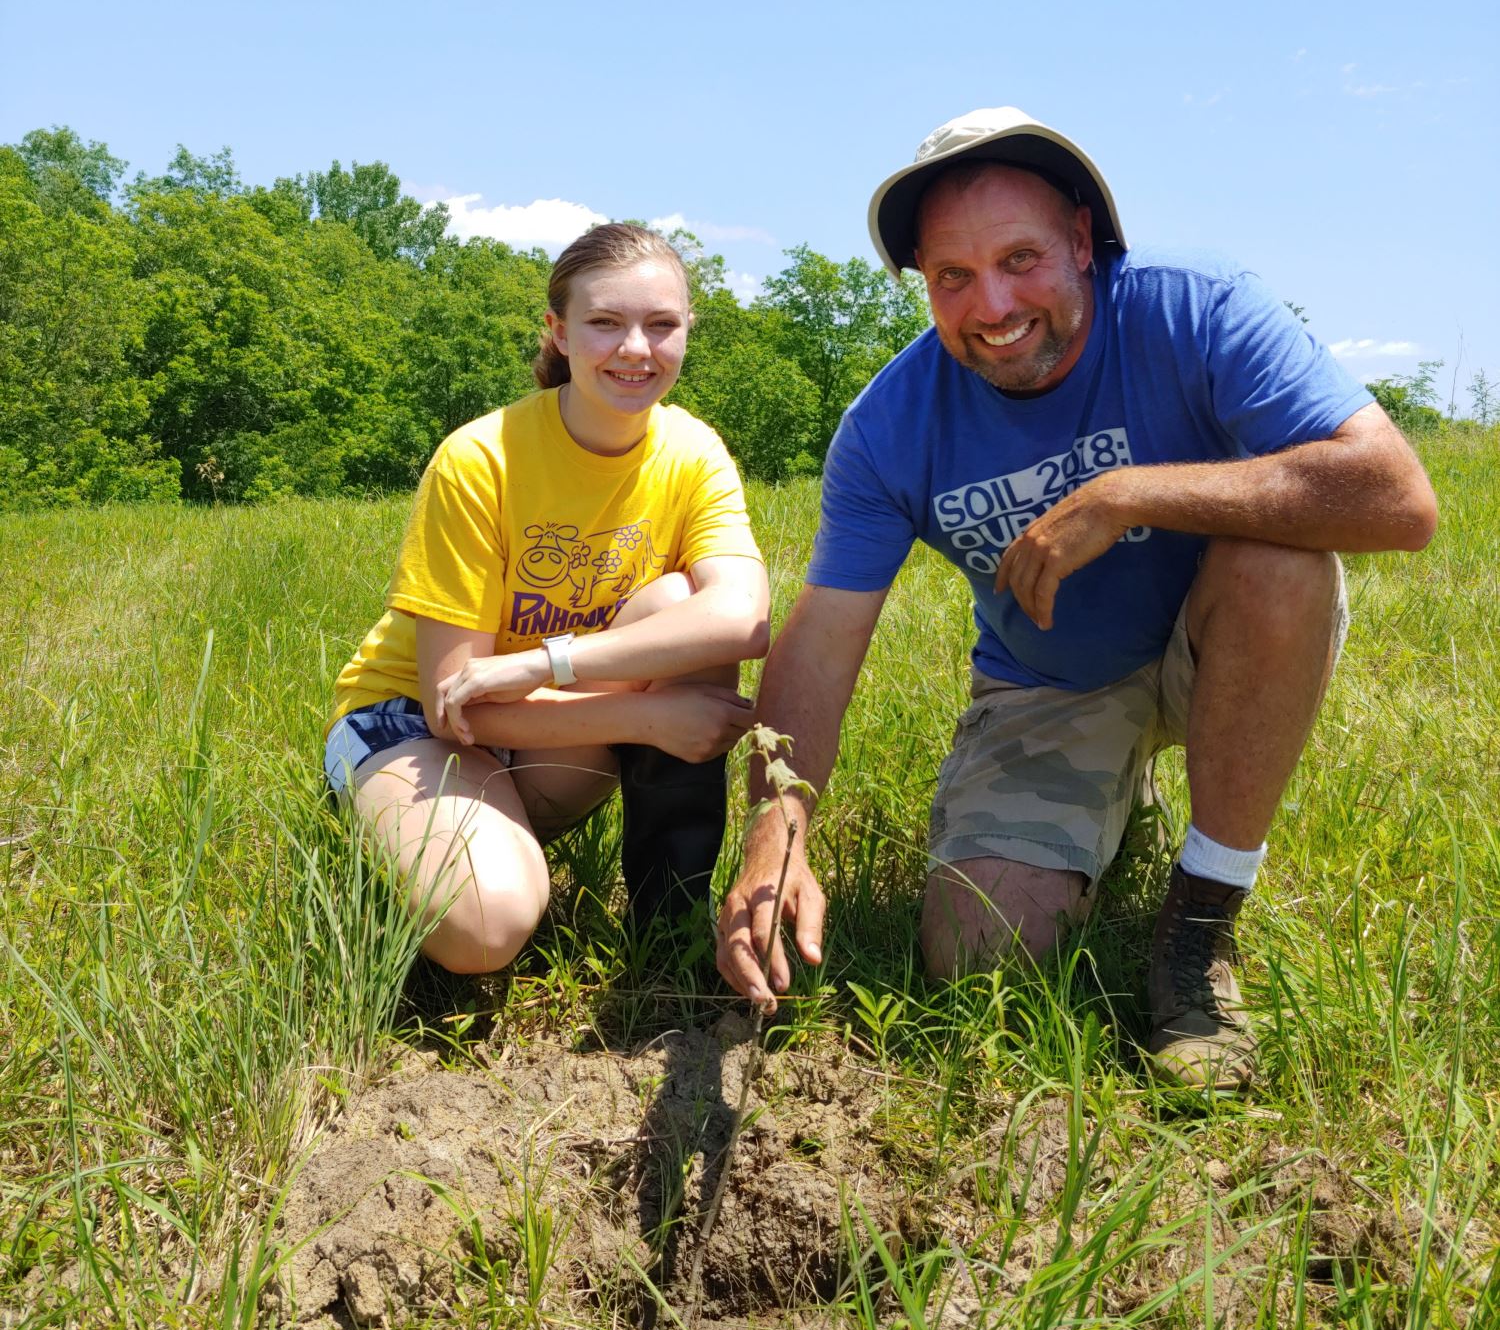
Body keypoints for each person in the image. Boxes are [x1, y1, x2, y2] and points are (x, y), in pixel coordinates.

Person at [716, 108, 1437, 1090]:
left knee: (1281, 562)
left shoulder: (1197, 307)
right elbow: (822, 639)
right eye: (953, 277)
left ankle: (1198, 934)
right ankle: (1111, 791)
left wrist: (1125, 493)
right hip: (1048, 683)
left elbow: (1397, 498)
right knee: (978, 961)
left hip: (1215, 639)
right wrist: (776, 825)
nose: (992, 302)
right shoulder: (890, 424)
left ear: (1083, 242)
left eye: (1021, 258)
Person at [325, 222, 769, 998]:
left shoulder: (693, 451)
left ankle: (666, 928)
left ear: (688, 331)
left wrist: (543, 662)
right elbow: (452, 702)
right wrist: (646, 719)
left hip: (541, 707)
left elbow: (741, 619)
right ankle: (380, 833)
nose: (636, 347)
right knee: (489, 929)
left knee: (681, 604)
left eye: (661, 324)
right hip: (412, 722)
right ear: (559, 333)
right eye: (605, 322)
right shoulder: (481, 457)